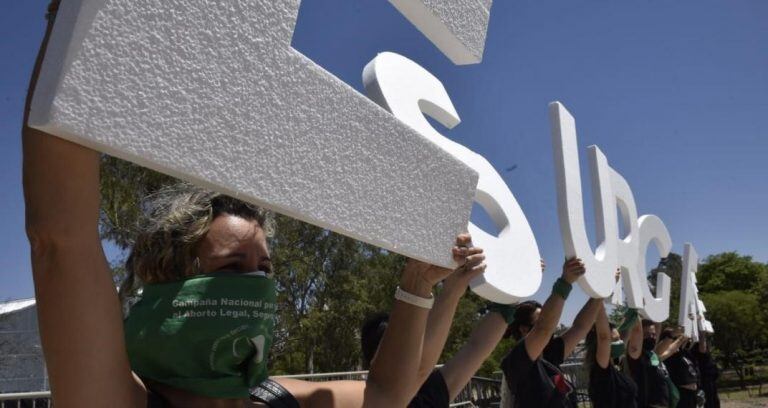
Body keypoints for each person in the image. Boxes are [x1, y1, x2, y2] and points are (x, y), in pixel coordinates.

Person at [22, 1, 481, 406]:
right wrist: (74, 26)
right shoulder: (117, 399)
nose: (256, 284)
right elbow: (59, 240)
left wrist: (418, 282)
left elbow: (385, 396)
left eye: (264, 269)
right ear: (168, 279)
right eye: (231, 267)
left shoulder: (276, 399)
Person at [360, 261, 546, 407]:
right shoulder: (358, 402)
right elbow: (476, 347)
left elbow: (477, 346)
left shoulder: (429, 392)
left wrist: (516, 288)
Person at [500, 257, 601, 408]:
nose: (551, 328)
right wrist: (565, 282)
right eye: (540, 321)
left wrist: (600, 294)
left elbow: (580, 327)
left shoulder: (549, 354)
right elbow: (543, 329)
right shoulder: (516, 361)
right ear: (524, 329)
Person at [585, 301, 639, 408]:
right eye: (615, 340)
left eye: (619, 339)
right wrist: (599, 300)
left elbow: (626, 331)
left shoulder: (614, 365)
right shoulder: (601, 369)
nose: (620, 343)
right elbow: (604, 337)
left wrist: (634, 308)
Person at [626, 319, 671, 408]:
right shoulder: (636, 355)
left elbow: (658, 325)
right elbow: (636, 331)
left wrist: (658, 314)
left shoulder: (652, 355)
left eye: (653, 334)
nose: (652, 337)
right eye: (647, 334)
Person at [657, 328, 699, 408]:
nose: (676, 342)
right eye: (674, 339)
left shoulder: (681, 353)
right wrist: (680, 337)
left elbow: (688, 341)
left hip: (692, 394)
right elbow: (670, 349)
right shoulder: (668, 357)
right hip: (681, 394)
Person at [691, 334, 720, 408]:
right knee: (709, 402)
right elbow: (702, 349)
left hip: (710, 377)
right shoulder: (696, 342)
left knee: (714, 401)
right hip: (705, 377)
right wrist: (702, 331)